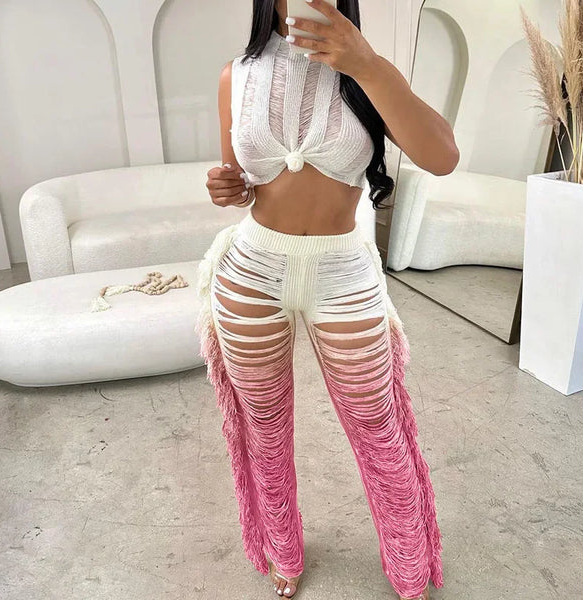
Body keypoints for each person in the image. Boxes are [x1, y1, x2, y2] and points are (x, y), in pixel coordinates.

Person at [195, 0, 459, 598]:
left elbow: (443, 157)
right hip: (253, 267)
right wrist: (227, 186)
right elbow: (241, 181)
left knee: (377, 424)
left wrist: (367, 64)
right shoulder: (235, 76)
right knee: (264, 427)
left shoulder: (367, 68)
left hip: (342, 268)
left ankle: (410, 565)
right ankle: (282, 550)